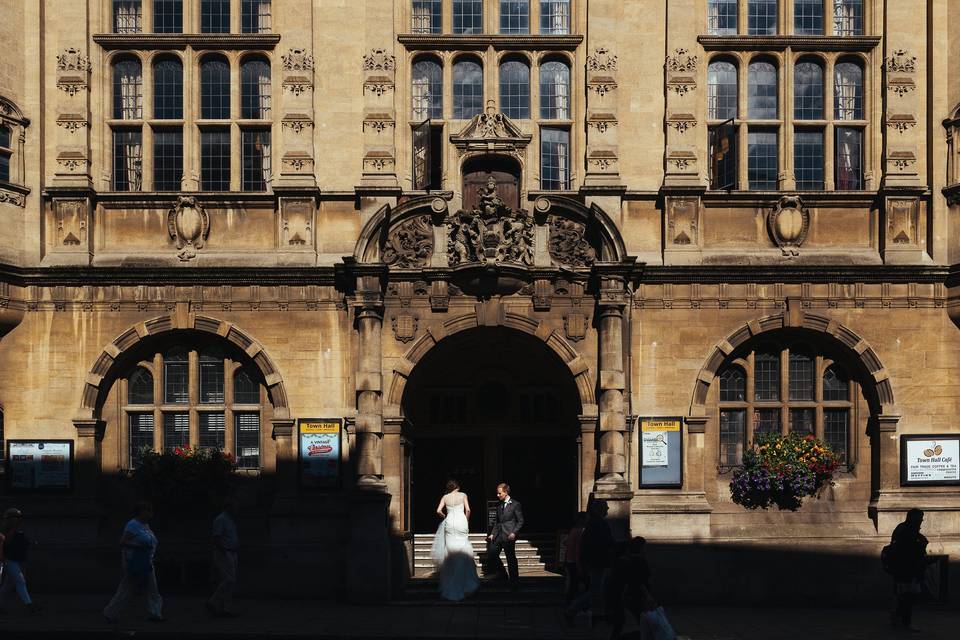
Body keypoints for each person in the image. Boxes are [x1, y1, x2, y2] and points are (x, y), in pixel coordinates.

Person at [103, 501, 163, 623]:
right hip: (135, 561)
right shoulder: (133, 525)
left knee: (151, 588)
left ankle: (155, 613)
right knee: (128, 587)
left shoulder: (145, 526)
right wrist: (139, 547)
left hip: (146, 560)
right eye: (148, 511)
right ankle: (110, 612)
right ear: (141, 512)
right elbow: (123, 542)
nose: (150, 514)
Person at [566, 498, 614, 626]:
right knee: (595, 590)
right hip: (597, 562)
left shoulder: (592, 524)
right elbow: (601, 544)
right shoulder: (598, 524)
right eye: (606, 507)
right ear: (599, 509)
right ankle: (573, 609)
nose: (608, 509)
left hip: (595, 562)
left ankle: (597, 614)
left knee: (597, 590)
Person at [430, 479, 479, 602]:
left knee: (451, 550)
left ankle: (451, 581)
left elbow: (438, 511)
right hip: (461, 522)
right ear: (457, 486)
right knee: (463, 547)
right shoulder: (463, 495)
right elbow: (468, 510)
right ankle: (466, 583)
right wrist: (466, 520)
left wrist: (445, 516)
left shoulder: (445, 497)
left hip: (450, 522)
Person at [889, 508, 934, 631]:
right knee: (908, 596)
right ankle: (905, 622)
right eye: (920, 518)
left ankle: (897, 617)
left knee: (904, 595)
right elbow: (910, 552)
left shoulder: (903, 528)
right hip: (907, 570)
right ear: (914, 519)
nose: (921, 521)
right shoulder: (908, 531)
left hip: (902, 569)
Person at [605, 537, 654, 640]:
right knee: (643, 623)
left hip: (627, 596)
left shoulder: (622, 562)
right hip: (636, 597)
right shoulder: (639, 562)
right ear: (641, 547)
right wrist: (648, 596)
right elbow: (640, 582)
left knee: (621, 623)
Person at [0, 507, 40, 615]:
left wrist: (30, 543)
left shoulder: (17, 530)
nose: (18, 520)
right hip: (8, 559)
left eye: (18, 518)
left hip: (16, 560)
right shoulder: (4, 530)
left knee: (7, 586)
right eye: (16, 517)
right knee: (20, 581)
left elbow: (22, 542)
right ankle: (29, 606)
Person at [486, 482, 524, 591]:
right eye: (497, 493)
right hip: (498, 535)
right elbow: (497, 522)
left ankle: (514, 583)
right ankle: (502, 573)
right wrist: (492, 534)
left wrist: (514, 533)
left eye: (499, 493)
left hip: (509, 535)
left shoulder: (515, 504)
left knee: (511, 559)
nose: (497, 495)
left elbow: (520, 521)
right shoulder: (499, 505)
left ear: (506, 492)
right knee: (492, 553)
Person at [207, 498, 240, 617]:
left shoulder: (229, 519)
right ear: (228, 507)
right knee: (229, 580)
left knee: (231, 581)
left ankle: (226, 607)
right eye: (234, 506)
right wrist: (224, 552)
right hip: (225, 552)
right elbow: (216, 537)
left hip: (231, 552)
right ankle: (214, 601)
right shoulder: (221, 519)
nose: (237, 508)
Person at [563, 512, 588, 607]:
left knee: (574, 585)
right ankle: (573, 605)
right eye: (585, 518)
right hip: (574, 562)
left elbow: (567, 544)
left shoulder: (573, 530)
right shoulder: (579, 531)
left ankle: (571, 604)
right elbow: (577, 549)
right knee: (576, 586)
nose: (587, 520)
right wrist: (580, 566)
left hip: (570, 561)